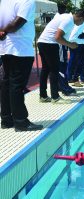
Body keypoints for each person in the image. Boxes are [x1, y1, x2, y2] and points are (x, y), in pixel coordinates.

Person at [0, 0, 43, 131]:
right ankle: (21, 121)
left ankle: (6, 120)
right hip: (20, 49)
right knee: (16, 86)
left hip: (5, 48)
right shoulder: (27, 1)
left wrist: (2, 32)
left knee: (7, 84)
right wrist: (5, 31)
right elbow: (17, 23)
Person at [38, 9, 84, 103]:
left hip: (42, 42)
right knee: (54, 70)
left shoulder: (66, 17)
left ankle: (43, 96)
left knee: (45, 70)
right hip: (50, 44)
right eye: (83, 21)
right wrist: (70, 45)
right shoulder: (69, 20)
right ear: (81, 18)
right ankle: (55, 97)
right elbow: (57, 37)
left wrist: (70, 43)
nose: (82, 23)